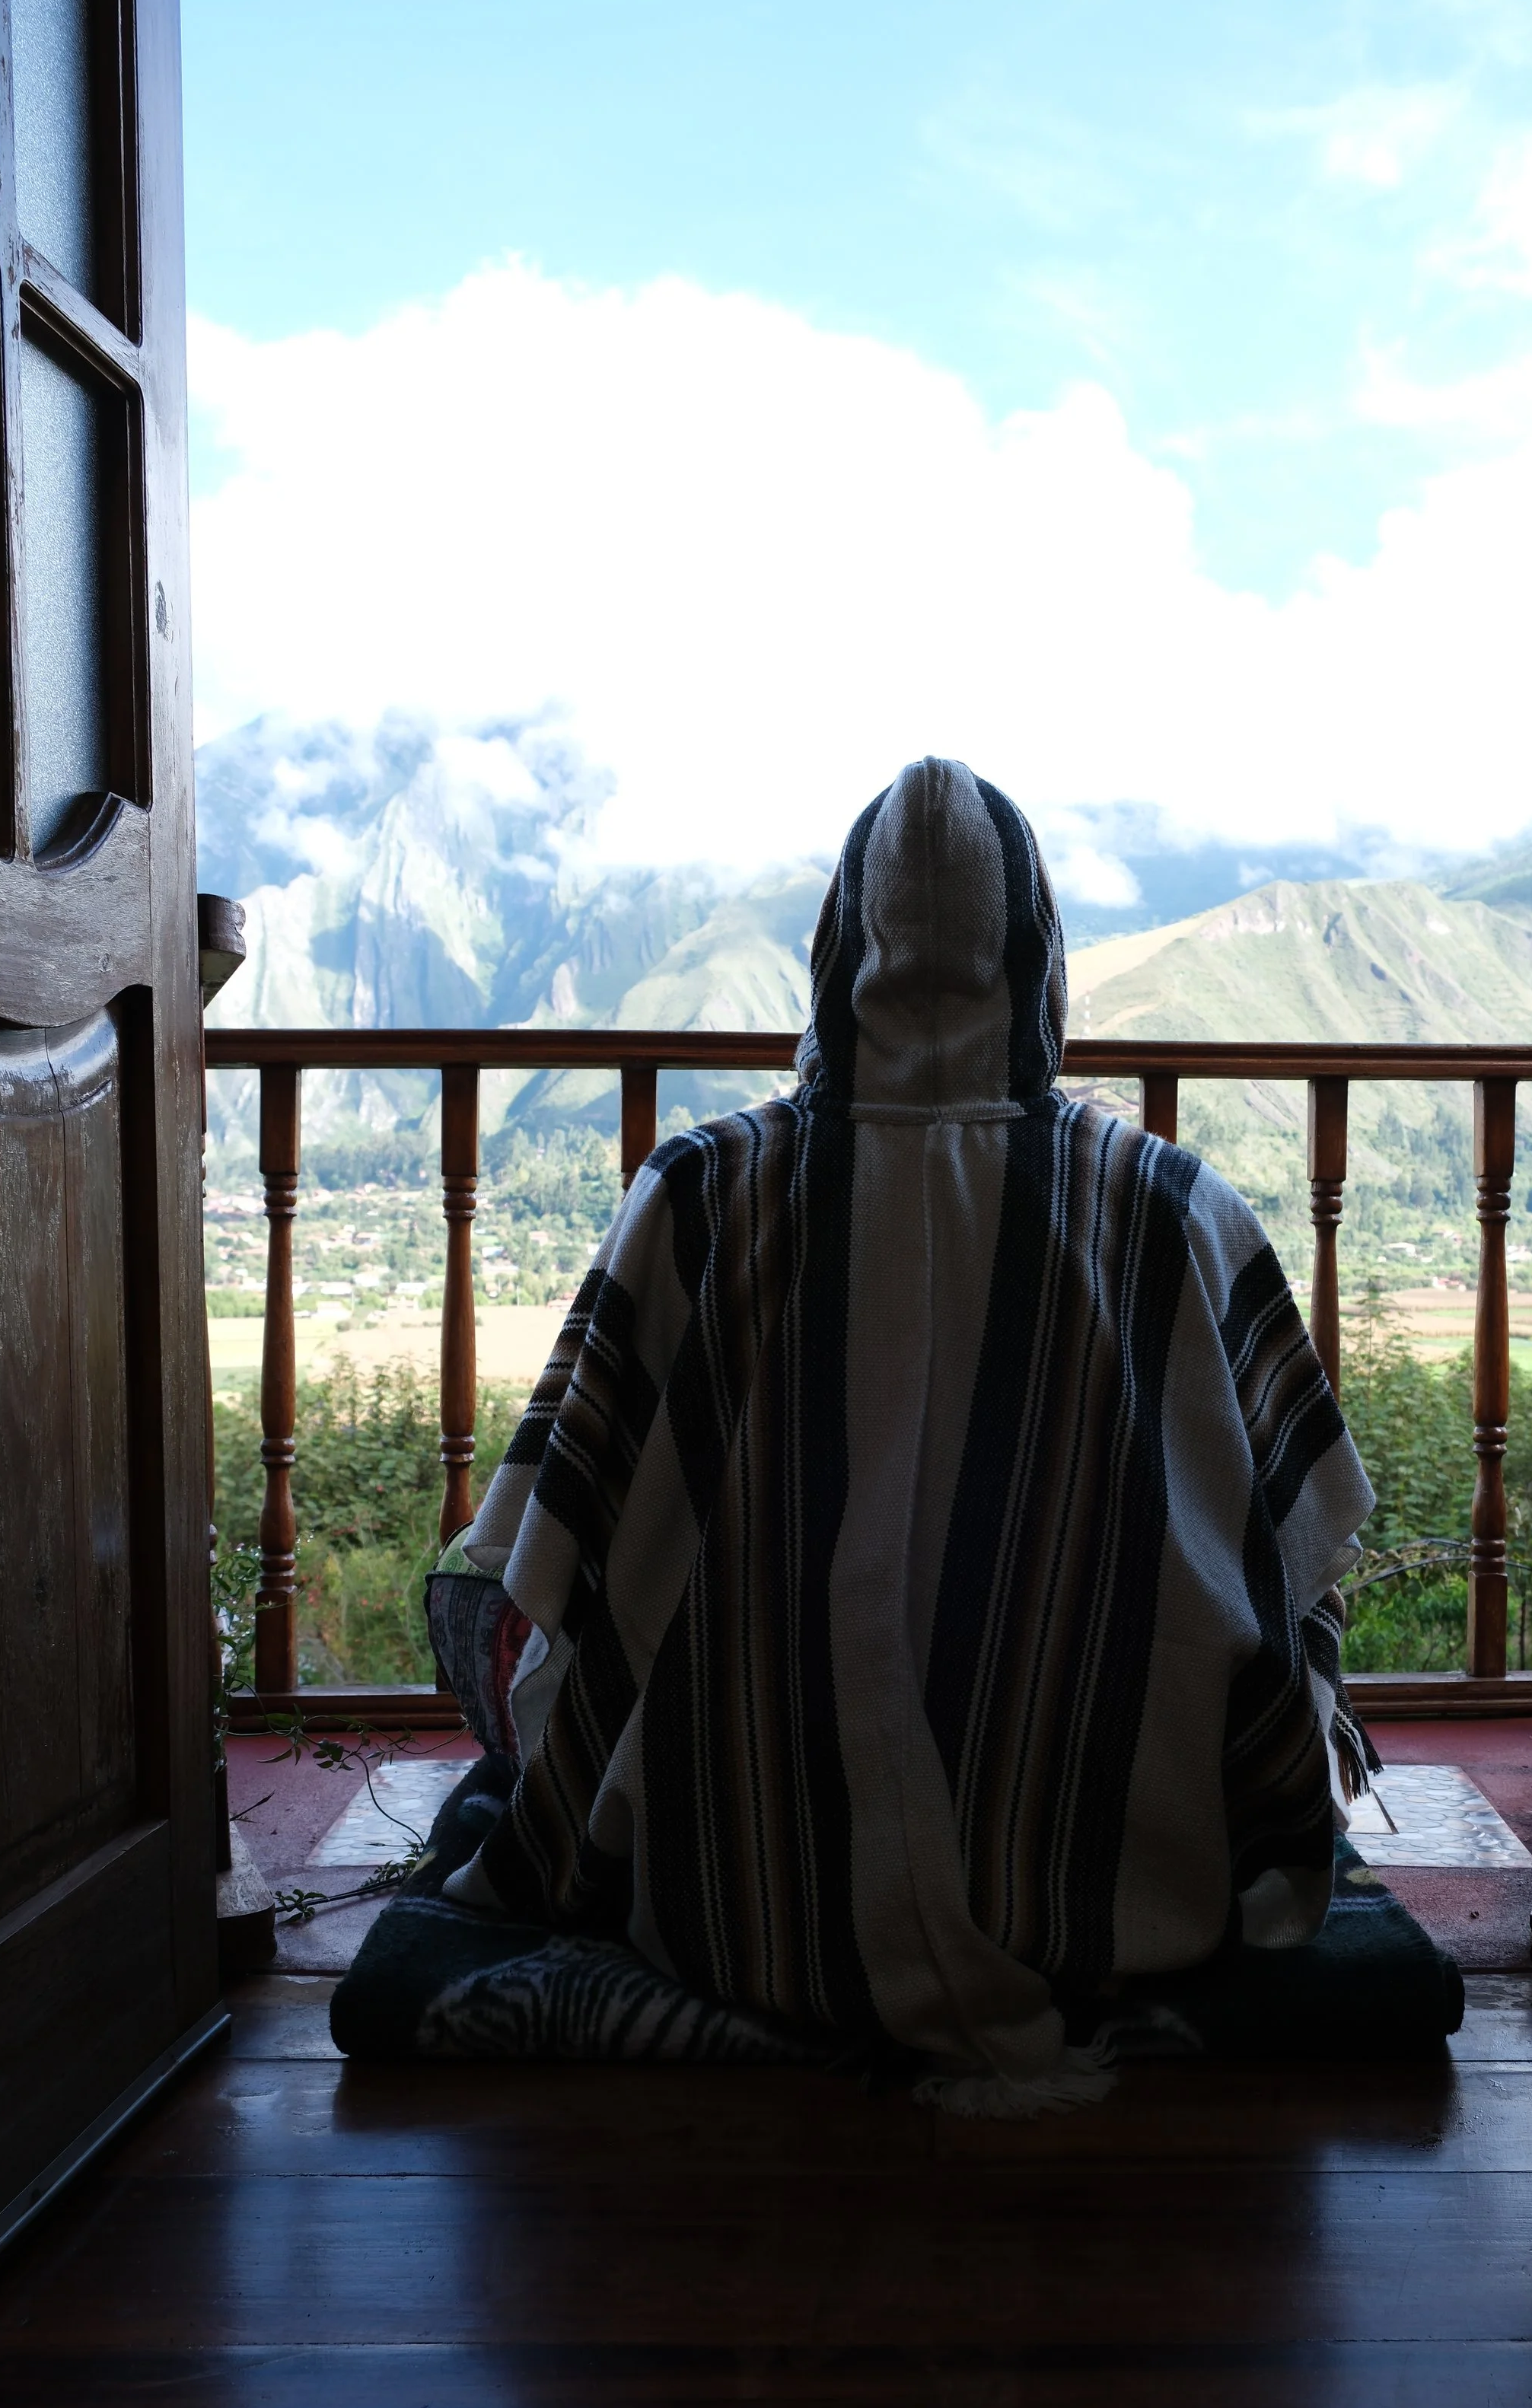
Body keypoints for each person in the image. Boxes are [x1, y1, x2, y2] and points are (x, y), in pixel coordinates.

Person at [443, 756, 1376, 2112]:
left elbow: (553, 1561)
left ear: (835, 951)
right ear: (1041, 959)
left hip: (737, 1907)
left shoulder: (701, 1197)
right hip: (1122, 1907)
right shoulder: (1175, 1211)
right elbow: (1299, 1556)